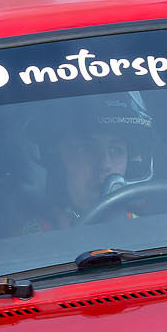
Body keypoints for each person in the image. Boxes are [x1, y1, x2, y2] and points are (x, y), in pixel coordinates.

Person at [22, 93, 153, 232]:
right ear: (55, 162)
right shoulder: (32, 239)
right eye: (86, 148)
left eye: (115, 150)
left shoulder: (150, 229)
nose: (105, 165)